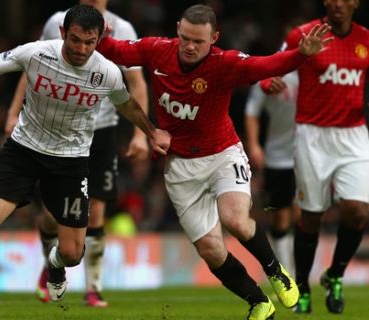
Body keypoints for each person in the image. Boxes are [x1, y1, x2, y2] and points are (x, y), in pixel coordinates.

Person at [0, 4, 170, 303]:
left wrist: (150, 132)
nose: (81, 48)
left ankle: (53, 264)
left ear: (100, 39)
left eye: (90, 42)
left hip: (71, 161)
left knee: (73, 253)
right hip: (24, 149)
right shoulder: (37, 53)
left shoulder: (107, 72)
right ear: (63, 32)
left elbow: (127, 104)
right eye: (75, 39)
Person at [97, 4, 332, 320]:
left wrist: (300, 55)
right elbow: (118, 52)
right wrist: (100, 39)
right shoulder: (157, 50)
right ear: (178, 29)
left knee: (234, 218)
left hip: (223, 154)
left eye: (199, 41)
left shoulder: (226, 64)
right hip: (180, 166)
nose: (191, 47)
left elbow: (267, 65)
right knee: (210, 249)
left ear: (214, 38)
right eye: (186, 38)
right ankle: (258, 302)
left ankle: (276, 271)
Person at [5, 0, 150, 307]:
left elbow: (136, 84)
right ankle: (52, 263)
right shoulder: (58, 21)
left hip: (102, 130)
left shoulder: (123, 29)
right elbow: (28, 67)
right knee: (53, 215)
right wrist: (13, 112)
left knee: (96, 209)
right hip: (57, 130)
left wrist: (140, 134)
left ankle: (93, 287)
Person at [263, 0, 369, 314]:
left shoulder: (365, 39)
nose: (337, 3)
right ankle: (303, 285)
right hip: (312, 135)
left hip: (353, 134)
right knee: (310, 217)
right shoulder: (304, 34)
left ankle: (334, 275)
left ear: (355, 3)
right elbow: (273, 66)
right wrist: (270, 82)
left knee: (359, 212)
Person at [244, 71, 299, 275]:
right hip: (278, 157)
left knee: (303, 216)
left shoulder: (315, 72)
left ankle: (300, 274)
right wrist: (254, 145)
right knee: (281, 217)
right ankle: (286, 276)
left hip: (309, 153)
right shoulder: (269, 76)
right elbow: (252, 112)